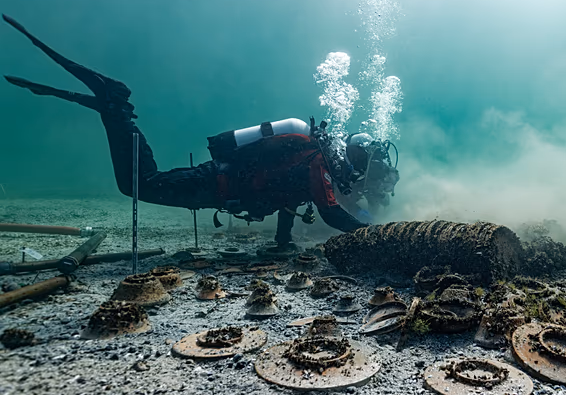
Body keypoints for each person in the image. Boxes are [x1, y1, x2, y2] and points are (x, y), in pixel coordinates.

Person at [2, 14, 371, 251]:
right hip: (212, 184)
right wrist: (373, 236)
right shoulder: (316, 161)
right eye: (355, 162)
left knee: (140, 184)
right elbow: (331, 214)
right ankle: (117, 107)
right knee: (138, 184)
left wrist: (282, 242)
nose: (350, 172)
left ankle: (112, 109)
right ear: (344, 155)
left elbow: (288, 202)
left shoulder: (306, 158)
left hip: (217, 187)